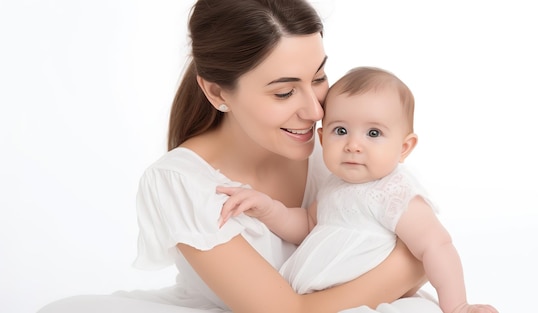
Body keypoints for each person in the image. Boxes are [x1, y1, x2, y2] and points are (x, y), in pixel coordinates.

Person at [37, 1, 442, 313]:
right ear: (217, 93)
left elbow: (413, 230)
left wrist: (420, 261)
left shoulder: (339, 145)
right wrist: (412, 264)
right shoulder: (182, 183)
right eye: (284, 92)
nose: (317, 111)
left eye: (318, 77)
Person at [217, 67, 499, 313]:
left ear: (404, 148)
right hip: (323, 303)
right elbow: (307, 225)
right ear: (323, 138)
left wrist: (458, 306)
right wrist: (268, 209)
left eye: (373, 133)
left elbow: (437, 246)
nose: (353, 144)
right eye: (340, 131)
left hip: (377, 303)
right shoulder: (333, 184)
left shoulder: (394, 192)